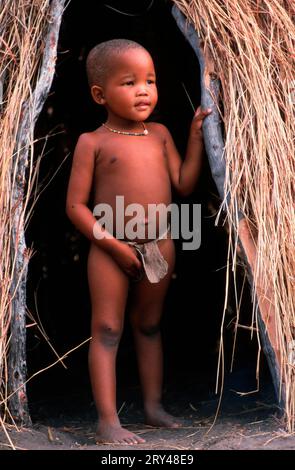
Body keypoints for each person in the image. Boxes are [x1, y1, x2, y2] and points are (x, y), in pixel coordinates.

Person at [66, 38, 211, 445]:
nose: (143, 89)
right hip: (110, 249)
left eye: (150, 80)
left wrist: (194, 138)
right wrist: (114, 246)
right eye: (129, 82)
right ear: (100, 94)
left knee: (148, 326)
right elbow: (76, 207)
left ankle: (152, 406)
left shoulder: (161, 134)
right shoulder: (92, 143)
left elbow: (183, 184)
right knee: (107, 329)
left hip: (160, 245)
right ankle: (108, 421)